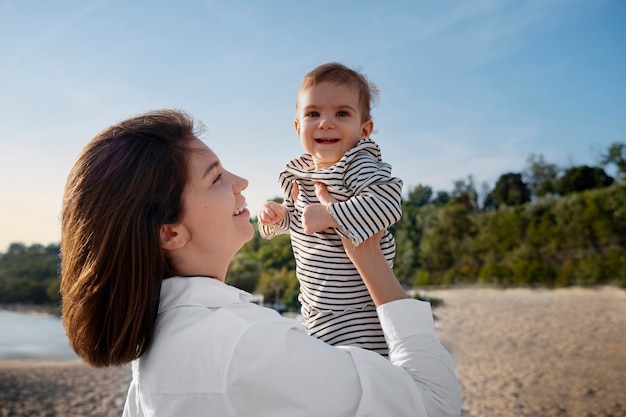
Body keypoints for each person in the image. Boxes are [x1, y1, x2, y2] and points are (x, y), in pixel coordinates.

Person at [60, 109, 461, 417]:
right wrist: (367, 253)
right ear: (169, 233)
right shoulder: (250, 345)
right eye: (216, 178)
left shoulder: (153, 348)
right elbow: (434, 403)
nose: (241, 182)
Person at [258, 62, 402, 356]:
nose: (325, 122)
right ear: (298, 126)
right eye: (313, 113)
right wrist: (277, 219)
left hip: (361, 314)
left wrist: (330, 215)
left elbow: (387, 203)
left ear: (364, 130)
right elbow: (298, 222)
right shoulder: (297, 175)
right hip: (316, 313)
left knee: (364, 386)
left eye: (341, 113)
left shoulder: (356, 164)